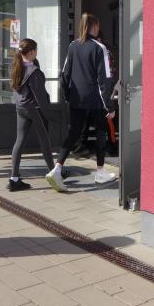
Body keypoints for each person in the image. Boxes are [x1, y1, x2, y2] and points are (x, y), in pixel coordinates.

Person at [46, 13, 116, 192]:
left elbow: (65, 74)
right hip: (96, 100)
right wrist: (109, 106)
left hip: (77, 99)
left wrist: (68, 96)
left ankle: (57, 168)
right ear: (94, 26)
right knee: (101, 133)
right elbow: (104, 79)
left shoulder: (73, 45)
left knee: (73, 133)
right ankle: (100, 172)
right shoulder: (99, 48)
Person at [8, 38, 56, 191]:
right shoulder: (34, 72)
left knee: (19, 141)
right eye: (36, 50)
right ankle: (54, 174)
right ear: (31, 52)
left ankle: (14, 178)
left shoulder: (16, 66)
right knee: (45, 141)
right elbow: (40, 97)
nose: (37, 53)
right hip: (34, 109)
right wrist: (50, 115)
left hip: (21, 107)